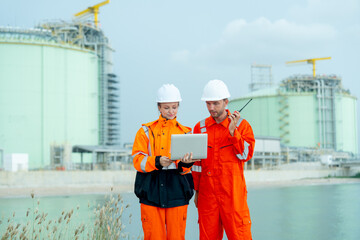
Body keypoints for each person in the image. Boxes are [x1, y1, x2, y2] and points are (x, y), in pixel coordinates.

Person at [192, 79, 255, 240]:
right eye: (208, 104)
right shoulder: (200, 128)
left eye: (215, 103)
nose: (211, 108)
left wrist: (234, 133)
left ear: (226, 102)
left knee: (240, 236)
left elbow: (246, 155)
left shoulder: (242, 125)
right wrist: (197, 191)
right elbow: (197, 165)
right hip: (207, 196)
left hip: (233, 196)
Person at [132, 84, 196, 240]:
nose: (171, 111)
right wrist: (157, 161)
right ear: (159, 107)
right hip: (151, 191)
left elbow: (184, 170)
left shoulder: (185, 132)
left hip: (177, 192)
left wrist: (186, 164)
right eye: (166, 107)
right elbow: (137, 160)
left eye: (174, 107)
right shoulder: (145, 131)